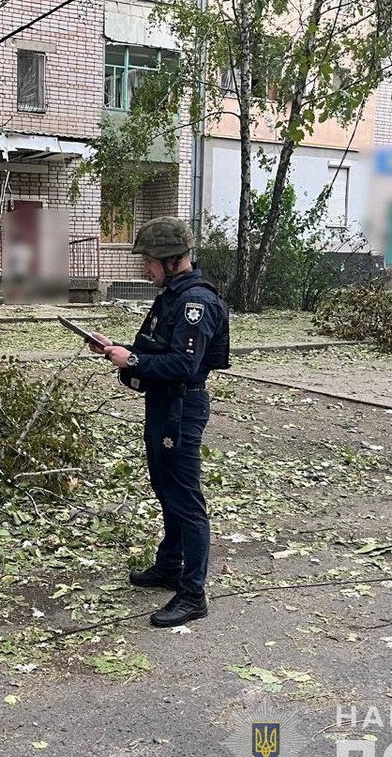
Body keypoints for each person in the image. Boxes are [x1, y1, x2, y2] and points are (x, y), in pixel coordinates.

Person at [88, 216, 229, 627]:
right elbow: (154, 350)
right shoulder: (169, 295)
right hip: (162, 404)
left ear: (171, 260)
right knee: (164, 487)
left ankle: (193, 593)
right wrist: (117, 348)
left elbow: (184, 364)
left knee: (186, 500)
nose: (144, 268)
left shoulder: (195, 303)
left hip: (182, 409)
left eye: (148, 260)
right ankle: (170, 566)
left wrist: (131, 360)